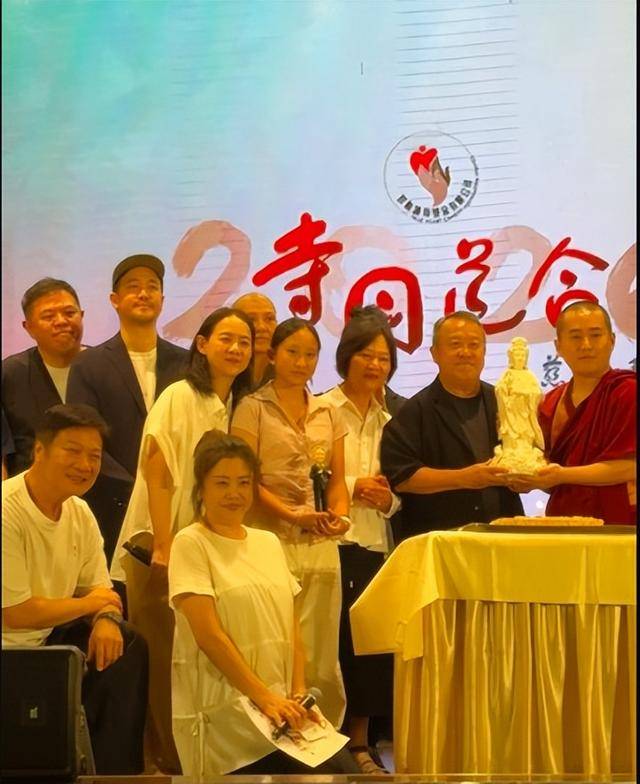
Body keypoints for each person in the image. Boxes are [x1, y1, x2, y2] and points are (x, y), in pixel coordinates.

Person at [110, 306, 254, 774]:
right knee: (162, 658)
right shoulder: (180, 395)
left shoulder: (231, 405)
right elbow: (158, 466)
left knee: (193, 657)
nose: (236, 349)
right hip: (156, 546)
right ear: (202, 344)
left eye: (245, 342)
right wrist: (165, 542)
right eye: (226, 339)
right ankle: (162, 763)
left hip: (198, 548)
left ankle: (193, 758)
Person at [169, 430, 358, 776]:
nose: (234, 493)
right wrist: (264, 698)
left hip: (282, 706)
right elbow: (209, 637)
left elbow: (291, 626)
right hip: (227, 708)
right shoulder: (191, 542)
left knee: (346, 772)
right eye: (222, 483)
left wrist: (298, 692)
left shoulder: (267, 542)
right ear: (201, 488)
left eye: (244, 482)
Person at [1, 404, 147, 775]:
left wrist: (106, 619)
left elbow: (101, 590)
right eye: (73, 451)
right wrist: (90, 605)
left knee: (127, 644)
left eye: (94, 456)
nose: (85, 464)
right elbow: (15, 613)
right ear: (39, 450)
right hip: (9, 650)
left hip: (47, 641)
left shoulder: (79, 513)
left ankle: (116, 775)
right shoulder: (7, 511)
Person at [231, 317, 351, 727]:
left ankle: (324, 732)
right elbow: (247, 479)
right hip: (270, 540)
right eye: (293, 353)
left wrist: (340, 516)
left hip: (320, 543)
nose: (302, 362)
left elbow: (338, 479)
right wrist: (290, 514)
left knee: (321, 645)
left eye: (310, 354)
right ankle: (276, 726)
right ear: (272, 355)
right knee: (275, 639)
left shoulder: (328, 411)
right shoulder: (252, 408)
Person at [317, 306, 400, 774]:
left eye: (384, 358)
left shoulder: (394, 418)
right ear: (346, 356)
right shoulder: (321, 409)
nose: (375, 365)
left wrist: (387, 499)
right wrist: (352, 487)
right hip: (329, 541)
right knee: (330, 646)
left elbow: (402, 490)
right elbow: (304, 475)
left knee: (367, 647)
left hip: (376, 544)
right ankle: (324, 741)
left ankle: (361, 743)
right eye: (366, 355)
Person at [67, 254, 187, 565]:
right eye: (133, 287)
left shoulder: (187, 364)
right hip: (112, 507)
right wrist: (138, 489)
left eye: (152, 287)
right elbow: (84, 436)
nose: (144, 293)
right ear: (115, 300)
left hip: (177, 508)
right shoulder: (88, 365)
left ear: (162, 299)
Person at [380, 311, 523, 541]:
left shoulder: (504, 401)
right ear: (435, 353)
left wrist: (525, 477)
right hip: (440, 539)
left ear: (484, 352)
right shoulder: (414, 411)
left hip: (503, 536)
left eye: (474, 345)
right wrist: (464, 478)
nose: (465, 352)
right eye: (455, 344)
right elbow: (402, 477)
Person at [511, 301, 636, 524]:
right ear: (558, 346)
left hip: (619, 522)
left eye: (595, 335)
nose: (586, 345)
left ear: (612, 341)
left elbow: (629, 467)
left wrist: (561, 475)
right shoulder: (550, 403)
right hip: (564, 521)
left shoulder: (627, 392)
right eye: (576, 337)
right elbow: (550, 474)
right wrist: (529, 478)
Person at [2, 278, 84, 477]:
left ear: (82, 316)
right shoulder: (10, 374)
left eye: (69, 313)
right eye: (48, 316)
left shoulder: (105, 367)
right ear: (28, 327)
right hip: (29, 490)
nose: (61, 321)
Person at [492, 337, 546, 472]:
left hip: (525, 413)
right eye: (517, 355)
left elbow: (537, 392)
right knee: (511, 435)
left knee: (526, 434)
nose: (520, 358)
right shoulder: (507, 375)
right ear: (511, 357)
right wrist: (508, 393)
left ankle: (526, 455)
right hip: (511, 413)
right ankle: (510, 454)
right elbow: (499, 389)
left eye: (522, 355)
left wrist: (526, 395)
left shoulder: (530, 376)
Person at [232, 292, 278, 389]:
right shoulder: (221, 373)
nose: (262, 327)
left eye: (269, 319)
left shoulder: (286, 372)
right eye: (251, 319)